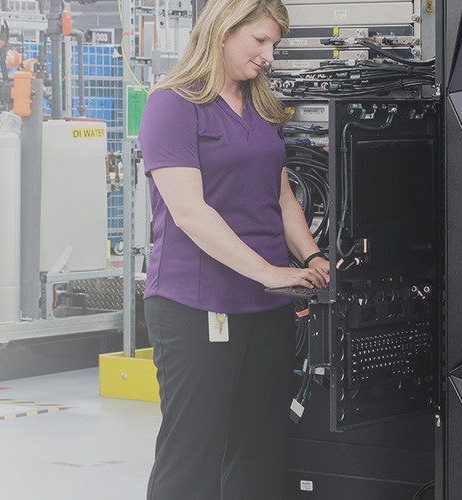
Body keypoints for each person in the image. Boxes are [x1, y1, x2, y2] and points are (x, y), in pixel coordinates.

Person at [137, 0, 329, 496]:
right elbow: (190, 212)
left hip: (267, 306)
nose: (269, 55)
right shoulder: (172, 104)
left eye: (275, 45)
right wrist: (269, 270)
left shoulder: (263, 107)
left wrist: (309, 257)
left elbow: (280, 192)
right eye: (260, 41)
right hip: (197, 302)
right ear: (222, 30)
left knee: (261, 450)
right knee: (194, 452)